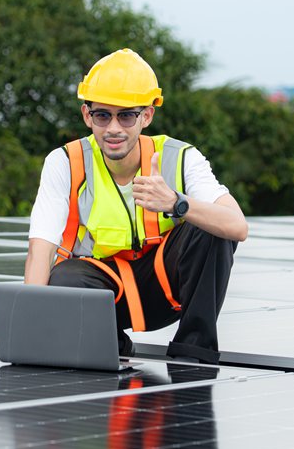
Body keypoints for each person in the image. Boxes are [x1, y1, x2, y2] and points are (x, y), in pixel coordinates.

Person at [23, 48, 248, 364]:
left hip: (164, 291)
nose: (114, 128)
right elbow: (40, 249)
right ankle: (109, 346)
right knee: (64, 279)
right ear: (87, 115)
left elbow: (237, 226)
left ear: (147, 116)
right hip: (103, 298)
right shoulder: (65, 162)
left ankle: (194, 352)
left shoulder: (180, 157)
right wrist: (30, 328)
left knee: (210, 226)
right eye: (102, 115)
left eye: (126, 115)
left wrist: (176, 203)